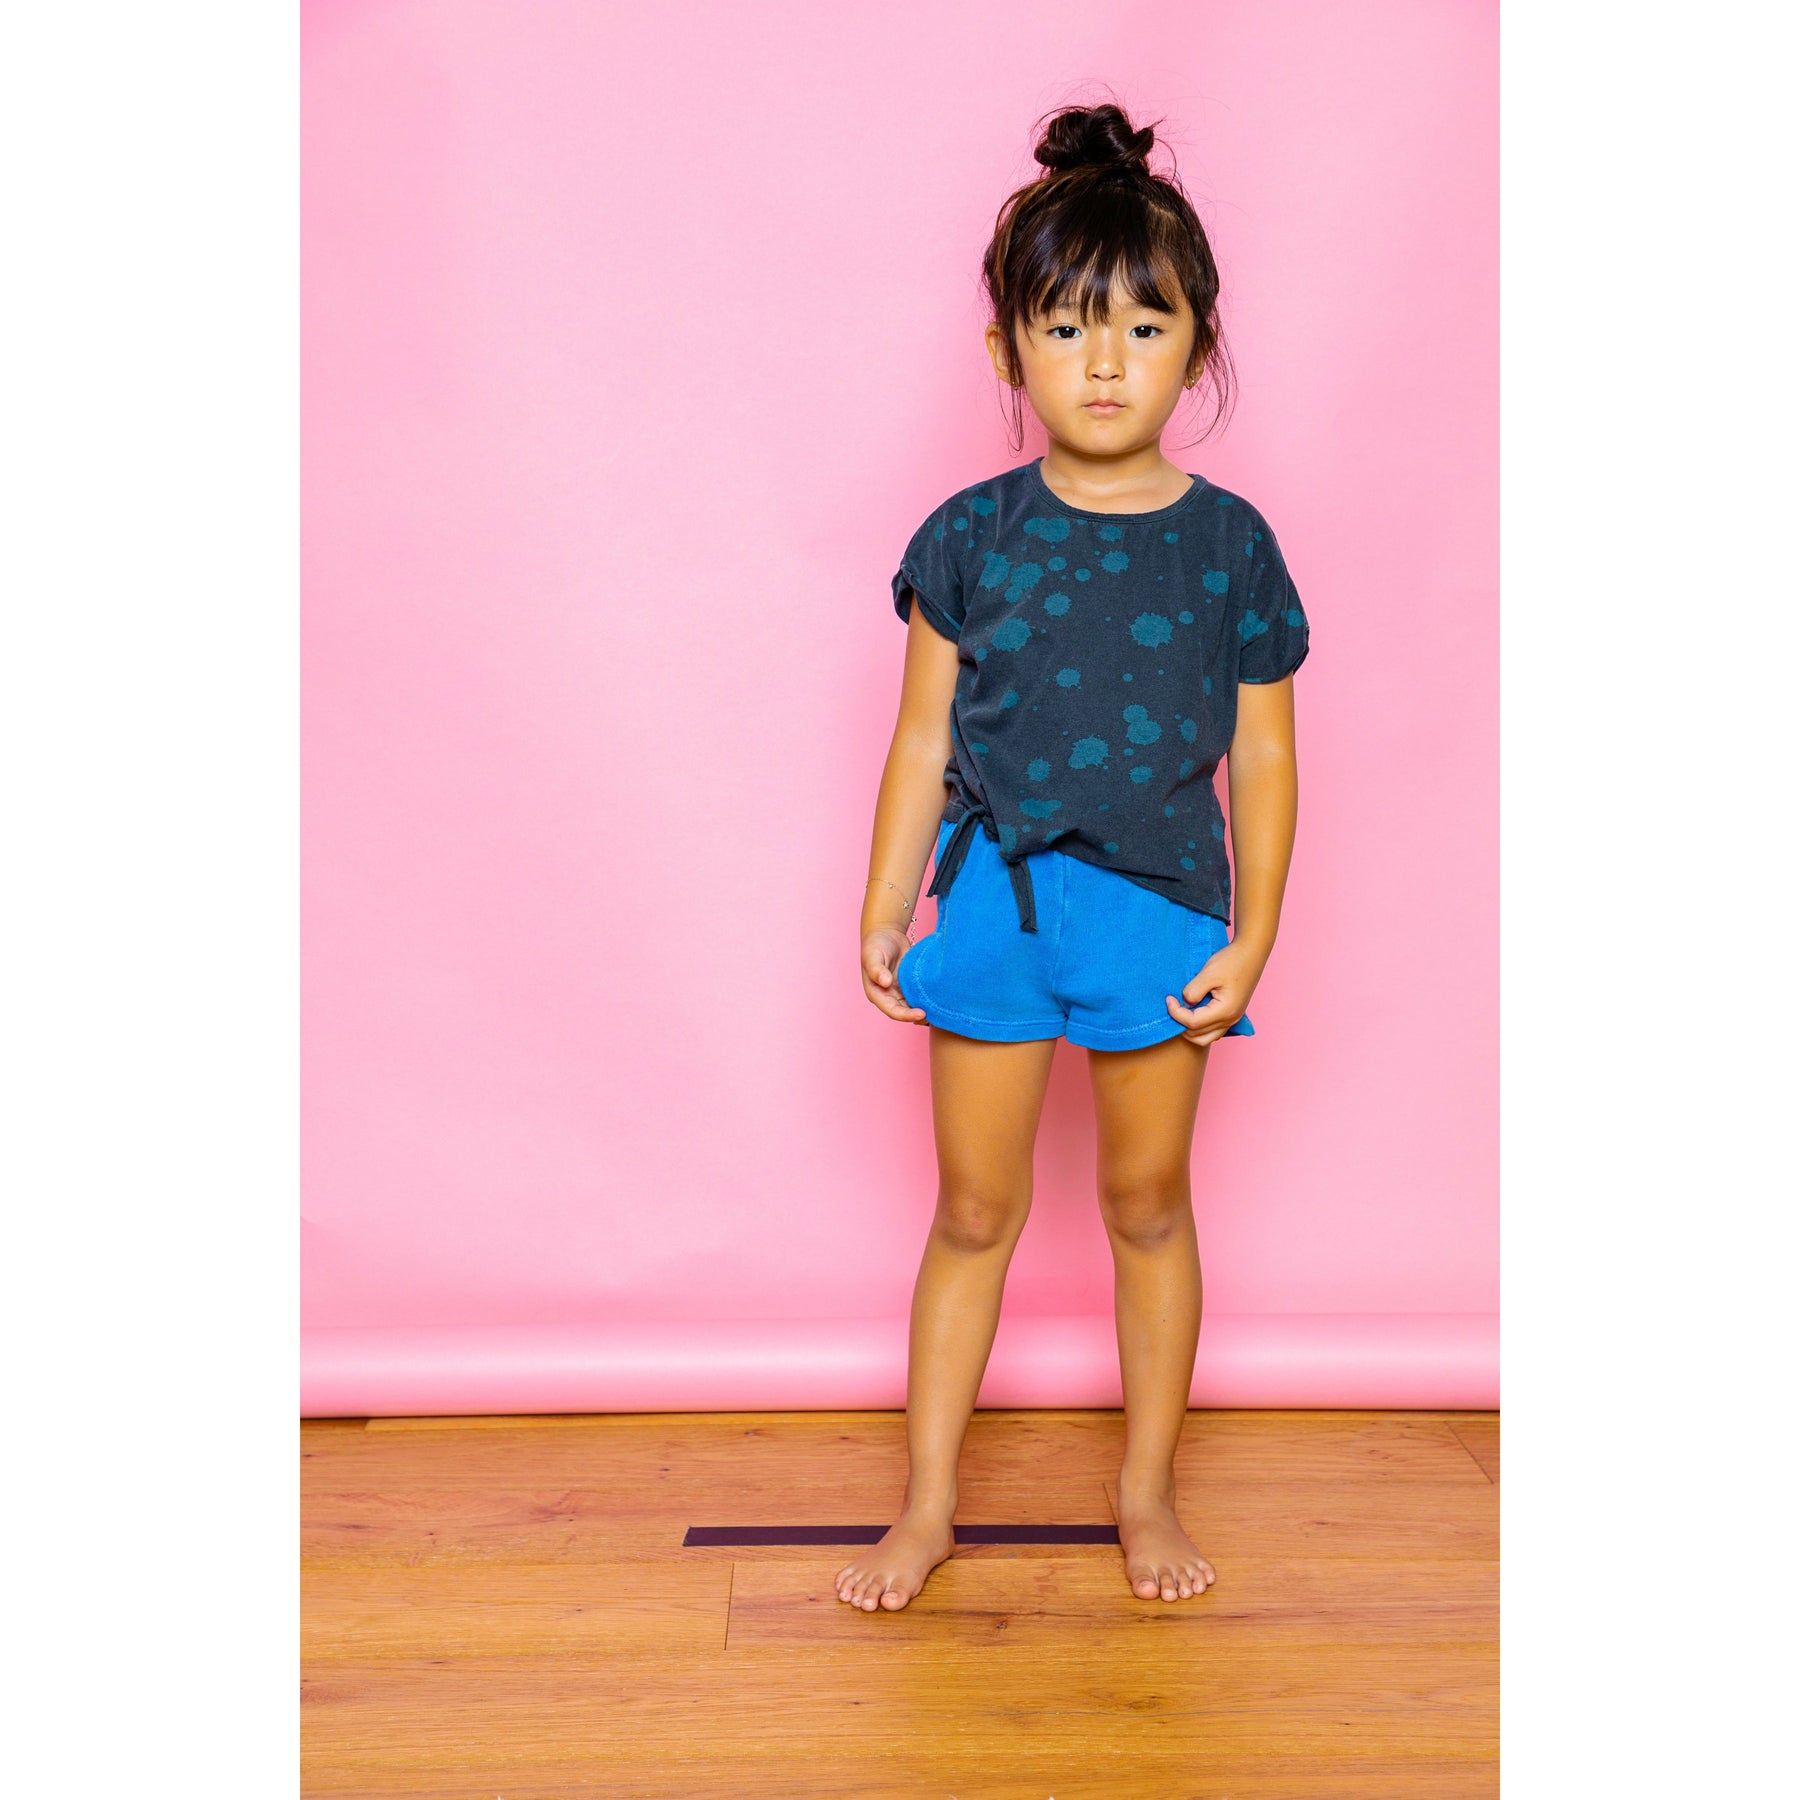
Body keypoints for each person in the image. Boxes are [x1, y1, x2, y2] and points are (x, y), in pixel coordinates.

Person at [843, 100, 1311, 1613]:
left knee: (1149, 1205)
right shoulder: (967, 536)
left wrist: (1254, 936)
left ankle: (1146, 1491)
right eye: (1065, 327)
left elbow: (1264, 756)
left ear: (1198, 343)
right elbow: (920, 738)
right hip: (996, 906)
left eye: (1144, 327)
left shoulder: (1233, 545)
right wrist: (884, 908)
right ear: (1007, 349)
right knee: (974, 1213)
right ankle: (927, 1502)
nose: (1105, 363)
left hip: (1160, 918)